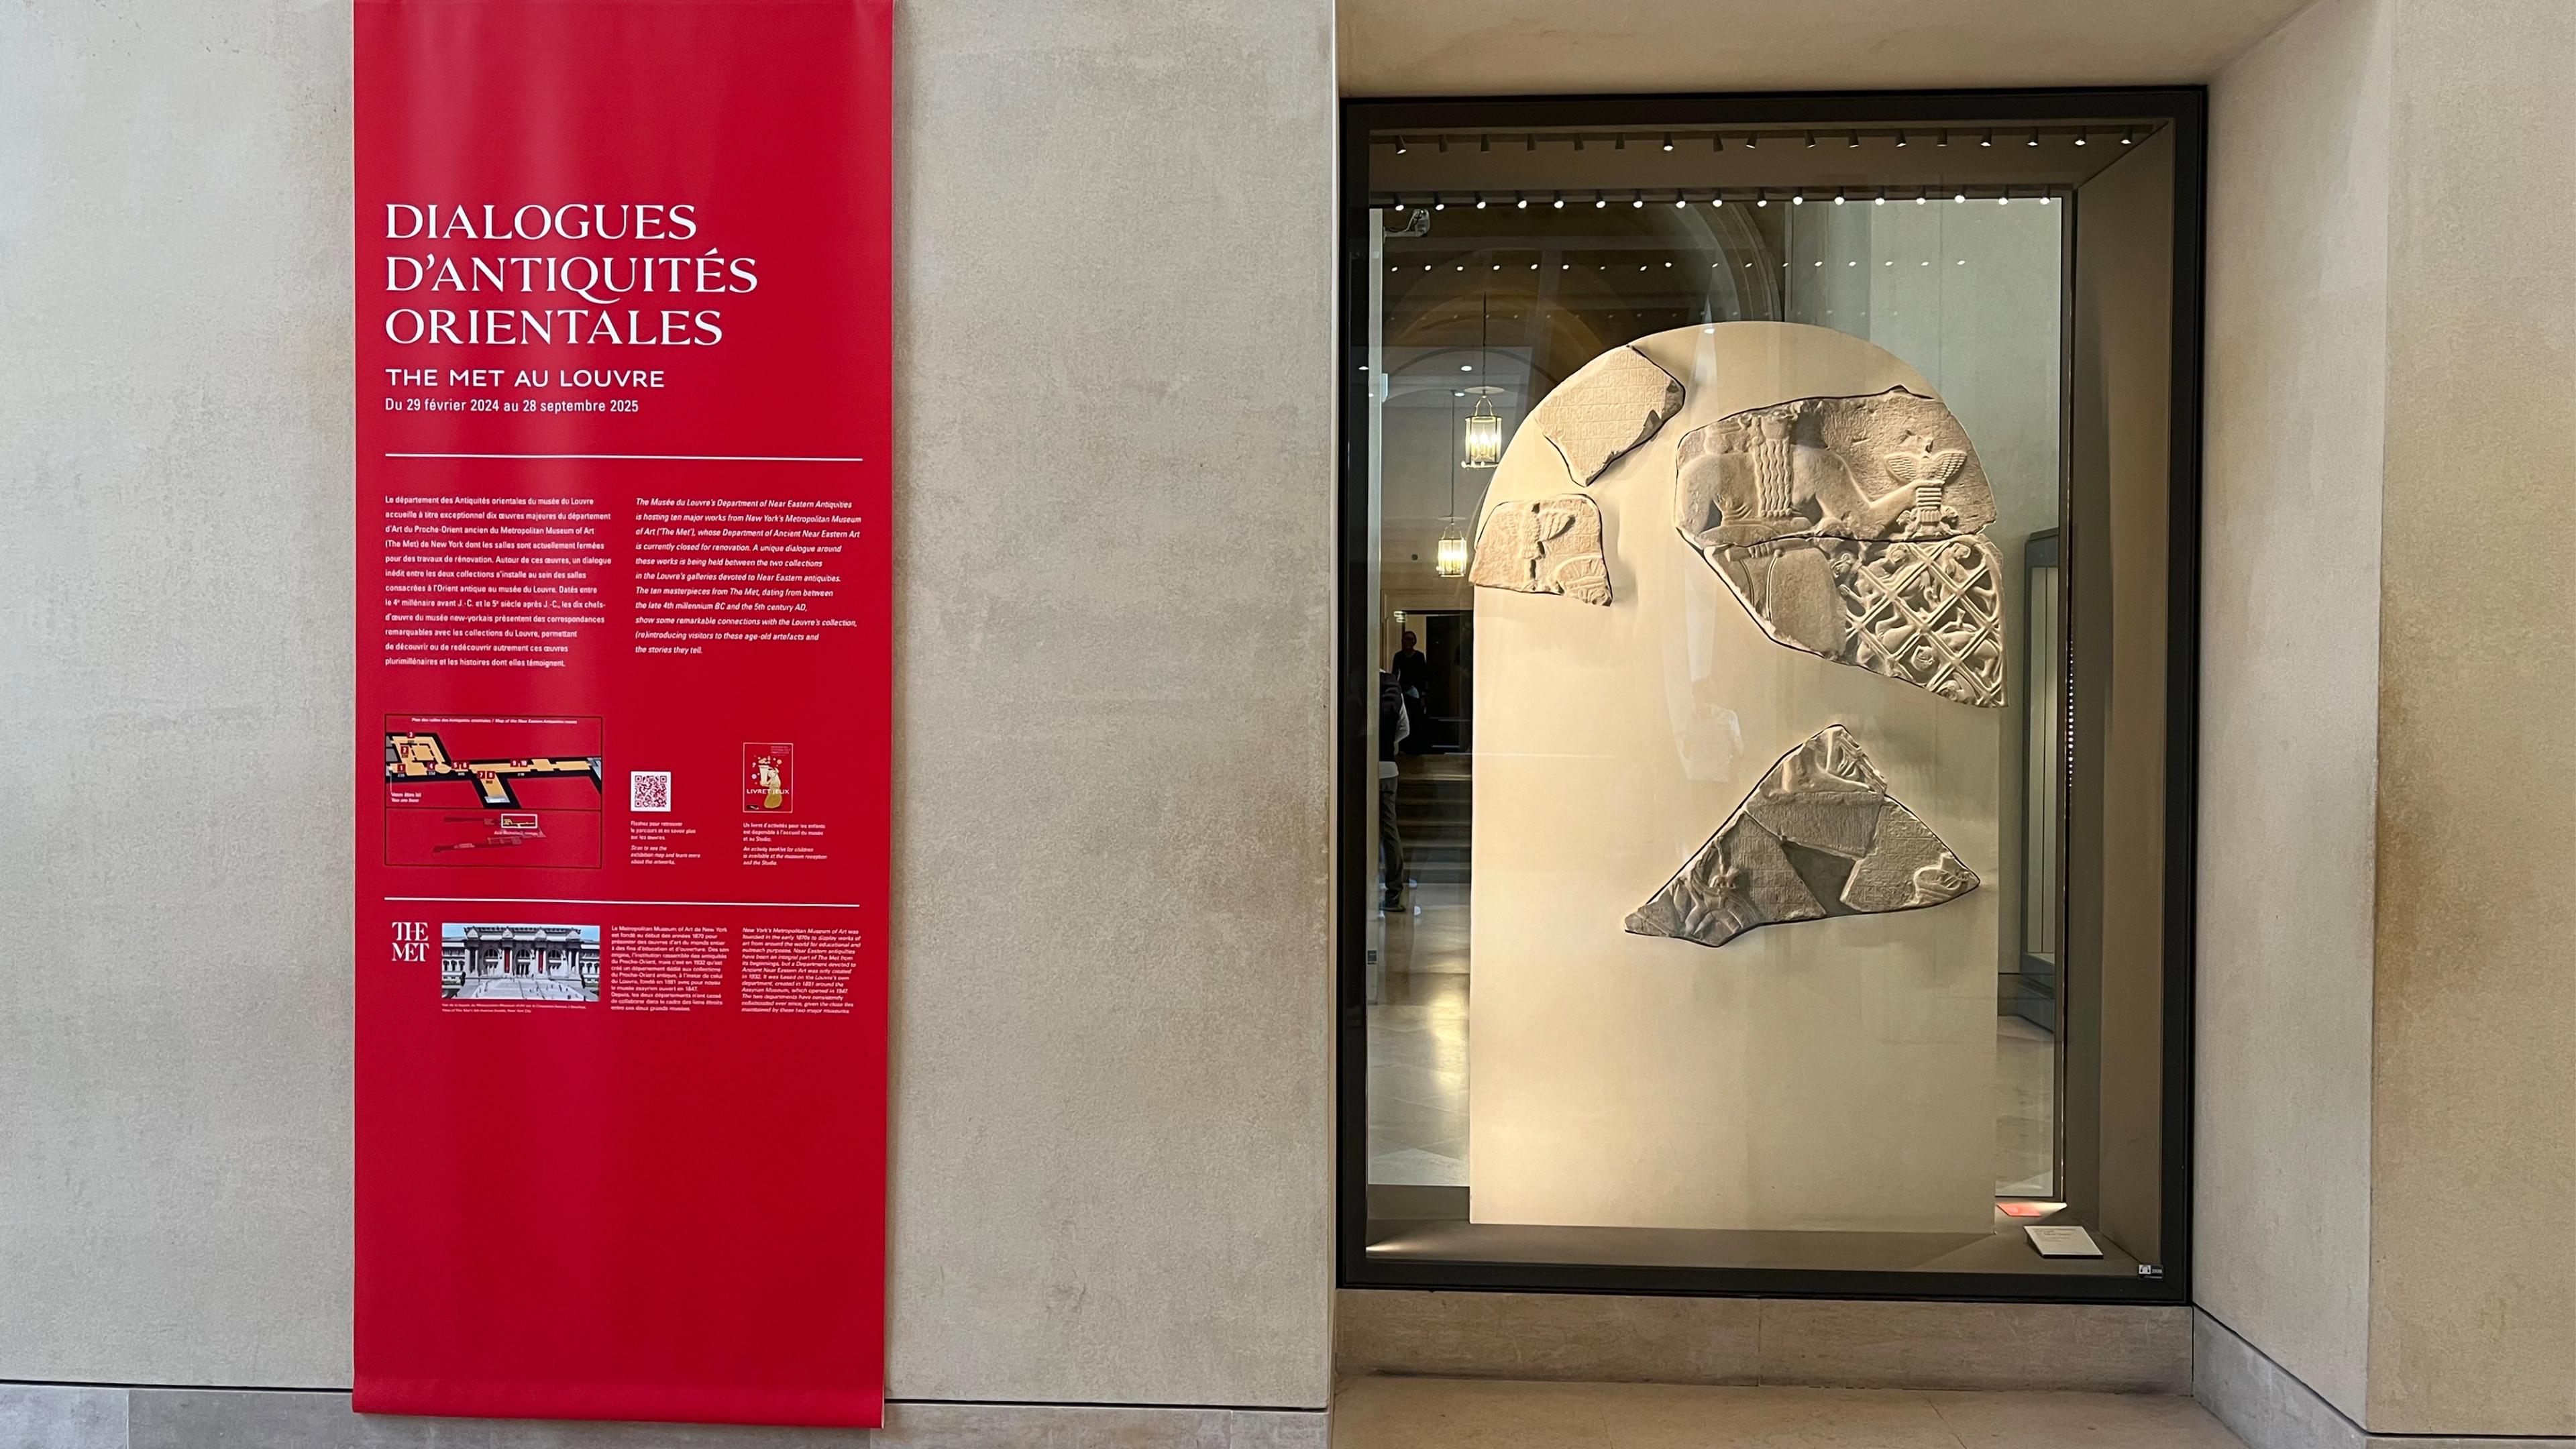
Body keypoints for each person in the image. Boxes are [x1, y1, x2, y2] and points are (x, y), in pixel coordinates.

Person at [1378, 668, 1409, 910]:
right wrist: (1390, 744)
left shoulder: (1352, 680)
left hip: (1360, 769)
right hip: (1388, 768)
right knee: (1390, 832)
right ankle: (1393, 893)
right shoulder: (1392, 687)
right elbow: (1405, 728)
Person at [1391, 630, 1430, 754]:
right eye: (1407, 639)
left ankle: (1416, 747)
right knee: (1403, 719)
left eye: (1411, 639)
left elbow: (1424, 676)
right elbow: (1395, 674)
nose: (1409, 642)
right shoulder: (1398, 656)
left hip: (1416, 691)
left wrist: (1423, 694)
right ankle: (1404, 748)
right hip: (1403, 689)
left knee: (1416, 719)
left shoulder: (1419, 656)